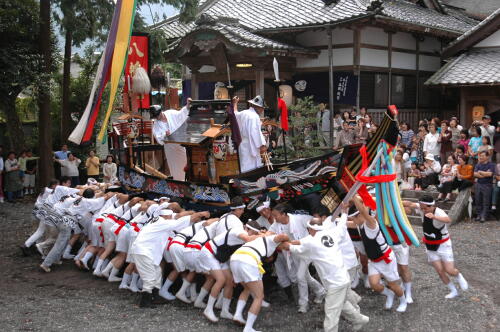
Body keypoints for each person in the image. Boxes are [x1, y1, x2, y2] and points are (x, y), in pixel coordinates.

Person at [281, 217, 369, 332]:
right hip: (343, 277)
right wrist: (344, 213)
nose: (308, 231)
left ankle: (342, 326)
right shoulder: (331, 233)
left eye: (308, 229)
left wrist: (284, 245)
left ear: (311, 229)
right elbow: (342, 225)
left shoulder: (312, 242)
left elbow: (296, 249)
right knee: (341, 303)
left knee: (331, 313)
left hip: (335, 283)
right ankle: (360, 319)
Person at [403, 195, 469, 299]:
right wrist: (395, 201)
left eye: (425, 208)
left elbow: (448, 219)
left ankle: (459, 276)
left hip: (443, 244)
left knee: (450, 270)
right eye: (422, 207)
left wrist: (434, 217)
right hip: (430, 245)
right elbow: (410, 204)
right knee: (439, 271)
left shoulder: (438, 212)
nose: (423, 210)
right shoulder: (422, 208)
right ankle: (453, 290)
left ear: (431, 206)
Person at [351, 196, 407, 312]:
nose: (353, 222)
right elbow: (343, 223)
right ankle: (389, 295)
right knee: (374, 284)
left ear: (360, 216)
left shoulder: (371, 223)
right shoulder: (359, 224)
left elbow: (362, 210)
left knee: (393, 285)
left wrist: (353, 195)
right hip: (374, 260)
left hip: (385, 258)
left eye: (354, 218)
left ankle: (403, 300)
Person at [229, 223, 289, 332]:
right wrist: (279, 236)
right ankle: (248, 328)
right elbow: (283, 236)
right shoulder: (270, 238)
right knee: (259, 296)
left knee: (247, 289)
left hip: (235, 258)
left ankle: (237, 315)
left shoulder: (257, 240)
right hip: (248, 260)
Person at [270, 203, 326, 313]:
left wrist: (326, 222)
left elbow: (316, 221)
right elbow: (269, 232)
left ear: (283, 214)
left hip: (305, 251)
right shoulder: (276, 224)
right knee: (303, 276)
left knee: (300, 277)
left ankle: (303, 304)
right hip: (292, 252)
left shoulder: (299, 219)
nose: (274, 218)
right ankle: (321, 291)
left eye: (276, 215)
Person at [152, 99, 191, 181]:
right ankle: (179, 186)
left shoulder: (170, 113)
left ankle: (187, 183)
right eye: (155, 117)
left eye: (157, 116)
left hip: (180, 144)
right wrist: (165, 135)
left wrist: (187, 106)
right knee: (176, 169)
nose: (157, 118)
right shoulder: (155, 125)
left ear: (160, 112)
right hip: (170, 149)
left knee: (186, 165)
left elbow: (181, 114)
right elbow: (158, 138)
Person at [232, 96, 267, 173]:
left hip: (243, 144)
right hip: (251, 145)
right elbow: (255, 133)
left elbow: (235, 114)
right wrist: (262, 145)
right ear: (258, 107)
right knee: (251, 170)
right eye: (262, 108)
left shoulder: (244, 113)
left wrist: (235, 103)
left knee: (245, 167)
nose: (262, 110)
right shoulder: (254, 117)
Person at [474, 151, 495, 222]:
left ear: (487, 157)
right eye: (480, 156)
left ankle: (484, 216)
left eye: (482, 156)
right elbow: (475, 174)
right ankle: (478, 215)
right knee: (478, 200)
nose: (480, 157)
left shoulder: (491, 165)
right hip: (478, 184)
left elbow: (490, 174)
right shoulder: (478, 165)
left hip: (487, 185)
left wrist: (480, 172)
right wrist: (484, 174)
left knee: (486, 201)